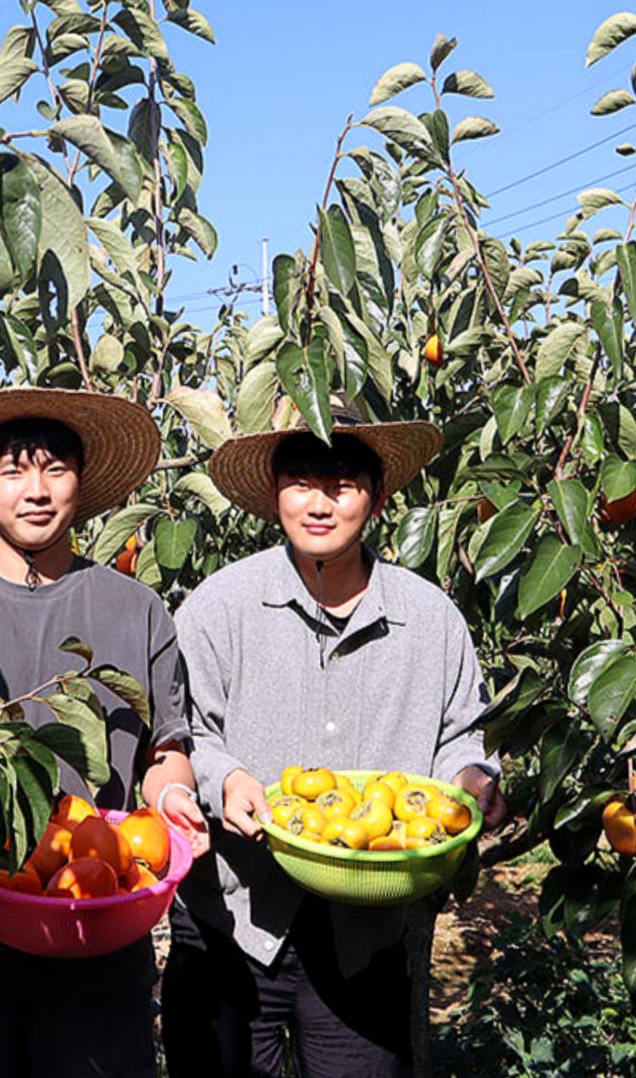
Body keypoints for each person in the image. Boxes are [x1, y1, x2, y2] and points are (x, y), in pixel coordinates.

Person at [160, 394, 507, 1078]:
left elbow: (462, 739)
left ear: (376, 499)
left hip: (365, 936)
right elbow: (181, 733)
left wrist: (473, 784)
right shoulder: (219, 607)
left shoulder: (430, 620)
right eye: (300, 483)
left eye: (342, 484)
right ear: (274, 494)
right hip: (231, 921)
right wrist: (224, 779)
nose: (319, 503)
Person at [0, 388, 209, 1078]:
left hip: (97, 935)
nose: (36, 491)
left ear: (81, 484)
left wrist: (173, 799)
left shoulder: (136, 610)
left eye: (55, 469)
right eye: (14, 472)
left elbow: (164, 749)